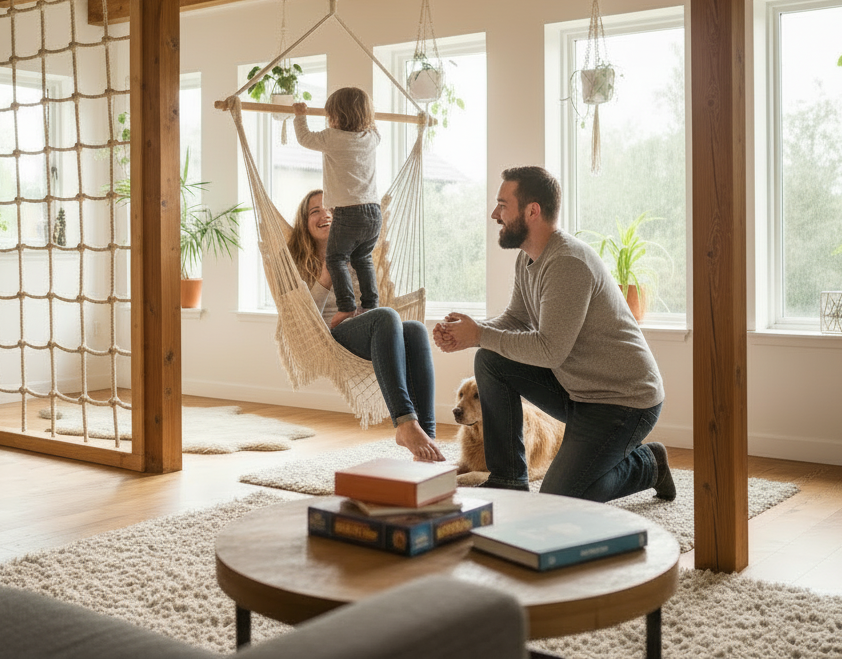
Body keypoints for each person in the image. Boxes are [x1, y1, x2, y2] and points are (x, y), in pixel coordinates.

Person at [432, 166, 674, 502]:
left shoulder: (568, 263)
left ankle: (649, 464)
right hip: (577, 391)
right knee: (489, 360)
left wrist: (479, 335)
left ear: (532, 211)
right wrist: (471, 332)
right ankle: (508, 479)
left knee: (560, 497)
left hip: (622, 402)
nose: (494, 214)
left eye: (503, 205)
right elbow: (516, 318)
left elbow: (550, 350)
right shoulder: (528, 257)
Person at [288, 188, 445, 462]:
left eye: (332, 210)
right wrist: (325, 278)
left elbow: (370, 302)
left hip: (362, 331)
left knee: (415, 330)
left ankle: (426, 434)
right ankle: (405, 422)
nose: (325, 215)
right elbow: (299, 319)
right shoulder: (296, 263)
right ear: (305, 223)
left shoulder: (356, 255)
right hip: (327, 338)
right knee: (386, 316)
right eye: (315, 211)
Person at [293, 87, 381, 329]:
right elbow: (375, 129)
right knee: (363, 258)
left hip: (348, 212)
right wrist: (368, 119)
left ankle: (347, 305)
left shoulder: (331, 137)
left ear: (337, 117)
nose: (329, 120)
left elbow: (304, 138)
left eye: (330, 115)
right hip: (374, 213)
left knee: (336, 258)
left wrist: (300, 115)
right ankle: (371, 304)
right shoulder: (371, 138)